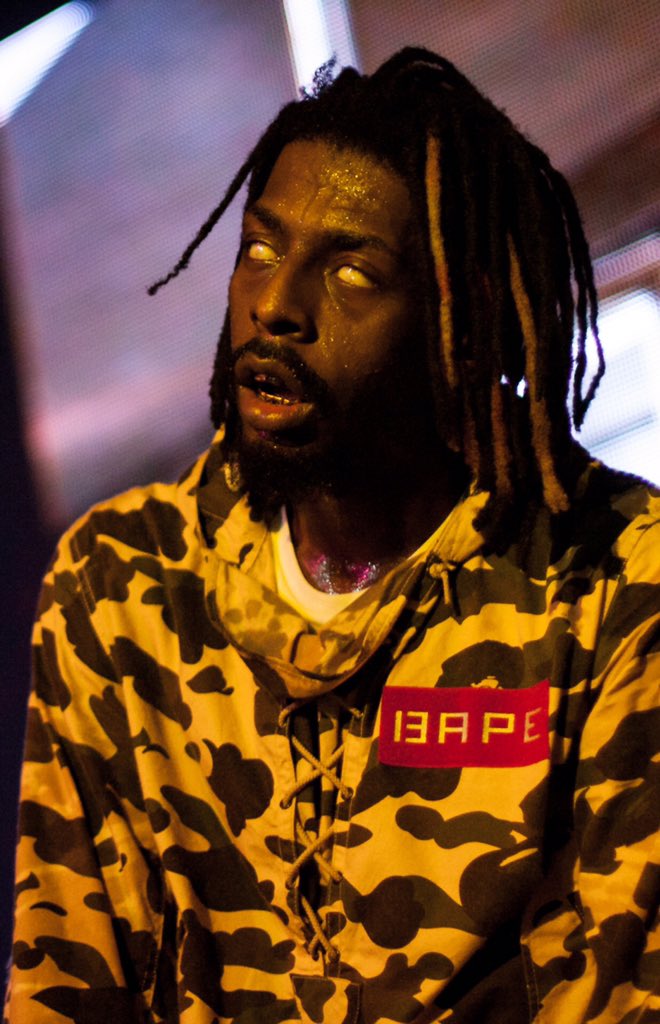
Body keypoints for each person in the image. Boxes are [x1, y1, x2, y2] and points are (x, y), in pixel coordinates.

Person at [5, 47, 658, 1024]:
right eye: (261, 249)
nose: (276, 306)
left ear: (465, 321)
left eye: (352, 271)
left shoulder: (611, 583)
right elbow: (63, 989)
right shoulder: (120, 590)